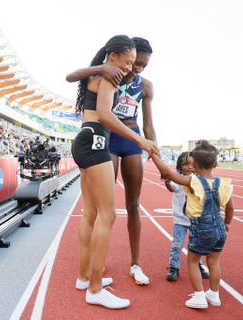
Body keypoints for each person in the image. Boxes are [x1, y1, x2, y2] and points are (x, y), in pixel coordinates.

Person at [70, 35, 158, 309]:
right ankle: (95, 289)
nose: (132, 68)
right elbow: (107, 116)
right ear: (113, 57)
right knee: (107, 215)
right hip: (97, 144)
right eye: (129, 61)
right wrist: (139, 140)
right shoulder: (108, 77)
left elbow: (73, 76)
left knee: (90, 214)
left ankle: (85, 277)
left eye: (136, 63)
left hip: (84, 140)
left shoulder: (99, 74)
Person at [151, 140, 234, 309]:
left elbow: (169, 173)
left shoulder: (193, 181)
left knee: (193, 261)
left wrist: (154, 155)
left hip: (201, 228)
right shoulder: (223, 184)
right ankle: (214, 294)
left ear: (194, 164)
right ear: (216, 163)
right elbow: (230, 208)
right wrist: (227, 223)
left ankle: (199, 296)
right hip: (219, 228)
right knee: (214, 262)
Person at [163, 152, 210, 281]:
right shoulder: (179, 180)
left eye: (192, 164)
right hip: (180, 220)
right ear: (179, 166)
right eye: (185, 164)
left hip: (196, 220)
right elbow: (172, 188)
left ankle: (199, 265)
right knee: (177, 244)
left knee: (196, 245)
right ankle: (174, 267)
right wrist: (167, 183)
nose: (189, 167)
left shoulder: (200, 181)